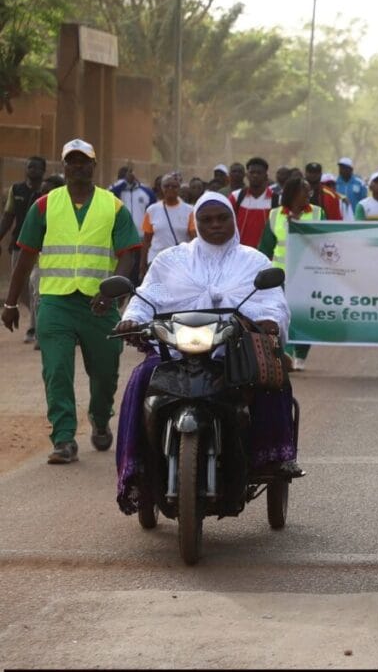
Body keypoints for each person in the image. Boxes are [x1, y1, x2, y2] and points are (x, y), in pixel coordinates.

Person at [112, 191, 301, 514]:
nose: (215, 225)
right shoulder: (170, 260)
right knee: (141, 378)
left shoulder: (254, 261)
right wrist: (132, 319)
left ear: (233, 220)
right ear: (196, 223)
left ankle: (273, 456)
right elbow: (146, 298)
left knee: (270, 378)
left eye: (222, 218)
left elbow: (273, 303)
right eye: (207, 219)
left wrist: (270, 321)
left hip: (234, 350)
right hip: (176, 351)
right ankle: (139, 466)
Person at [2, 139, 141, 464]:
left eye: (84, 161)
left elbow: (128, 254)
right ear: (63, 166)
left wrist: (110, 291)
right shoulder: (44, 206)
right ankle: (64, 439)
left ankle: (100, 416)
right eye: (72, 161)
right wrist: (10, 304)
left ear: (94, 166)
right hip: (55, 302)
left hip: (99, 305)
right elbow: (26, 255)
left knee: (105, 372)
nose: (78, 166)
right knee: (57, 371)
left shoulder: (113, 207)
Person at [258, 177, 325, 371]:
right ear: (294, 193)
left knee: (305, 317)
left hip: (308, 276)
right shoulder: (275, 215)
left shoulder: (318, 213)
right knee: (281, 316)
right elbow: (265, 248)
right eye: (305, 190)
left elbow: (326, 240)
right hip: (280, 277)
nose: (309, 194)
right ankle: (285, 354)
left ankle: (301, 355)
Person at [0, 156, 46, 344]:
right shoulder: (16, 190)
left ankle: (34, 327)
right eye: (30, 167)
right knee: (21, 289)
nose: (32, 170)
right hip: (19, 245)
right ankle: (38, 315)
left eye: (37, 167)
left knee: (36, 285)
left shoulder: (47, 192)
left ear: (43, 171)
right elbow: (8, 217)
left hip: (42, 247)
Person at [140, 173, 195, 278]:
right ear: (162, 188)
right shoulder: (152, 210)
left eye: (174, 186)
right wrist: (142, 266)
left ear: (179, 188)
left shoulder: (189, 211)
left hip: (180, 263)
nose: (170, 189)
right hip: (156, 261)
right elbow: (146, 241)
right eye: (166, 186)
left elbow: (193, 239)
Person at [227, 157, 275, 248]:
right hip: (241, 251)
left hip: (267, 252)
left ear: (266, 176)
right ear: (247, 175)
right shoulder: (236, 197)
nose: (255, 175)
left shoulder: (276, 199)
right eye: (252, 172)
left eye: (259, 173)